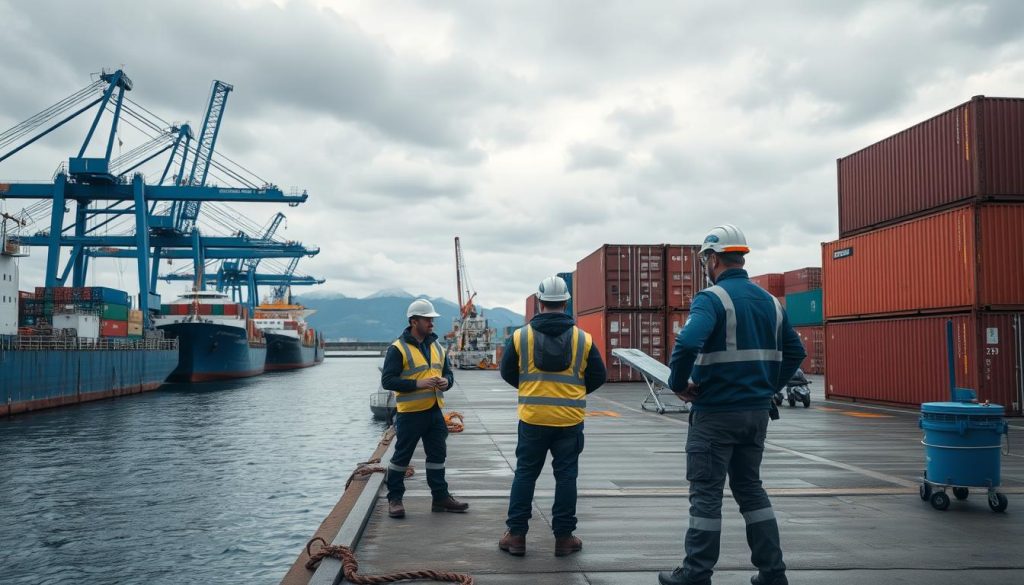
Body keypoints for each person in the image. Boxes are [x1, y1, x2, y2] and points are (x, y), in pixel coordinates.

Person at [659, 225, 805, 585]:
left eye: (705, 259)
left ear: (712, 258)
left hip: (716, 414)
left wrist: (678, 384)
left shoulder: (711, 298)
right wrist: (768, 386)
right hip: (756, 414)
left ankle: (695, 574)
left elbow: (688, 342)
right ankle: (772, 573)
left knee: (706, 496)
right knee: (751, 489)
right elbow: (796, 352)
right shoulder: (772, 302)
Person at [497, 275, 607, 557]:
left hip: (533, 418)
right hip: (569, 421)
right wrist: (573, 394)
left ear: (539, 302)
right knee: (566, 478)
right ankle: (564, 538)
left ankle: (517, 536)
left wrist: (530, 388)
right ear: (566, 303)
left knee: (525, 475)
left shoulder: (521, 336)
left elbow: (508, 371)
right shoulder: (583, 338)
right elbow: (599, 375)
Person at [380, 298, 469, 519]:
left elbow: (448, 373)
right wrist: (417, 384)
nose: (432, 323)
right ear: (413, 321)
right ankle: (395, 499)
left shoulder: (437, 347)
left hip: (434, 412)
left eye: (432, 319)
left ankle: (440, 498)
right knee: (401, 458)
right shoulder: (397, 349)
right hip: (410, 414)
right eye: (427, 319)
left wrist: (446, 382)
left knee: (438, 456)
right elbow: (388, 381)